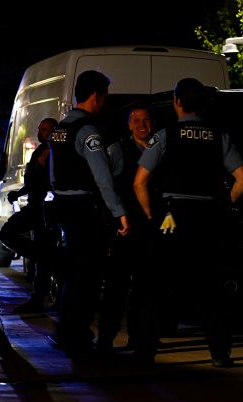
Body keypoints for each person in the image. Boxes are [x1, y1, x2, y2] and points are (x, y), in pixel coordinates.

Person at [133, 77, 243, 367]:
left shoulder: (165, 135)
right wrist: (223, 205)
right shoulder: (218, 135)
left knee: (156, 284)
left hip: (172, 218)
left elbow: (140, 182)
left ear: (176, 102)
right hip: (210, 218)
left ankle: (146, 350)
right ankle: (220, 353)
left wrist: (151, 215)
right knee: (213, 288)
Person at [46, 70, 129, 357]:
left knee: (74, 273)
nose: (105, 101)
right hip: (85, 209)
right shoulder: (88, 130)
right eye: (104, 95)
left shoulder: (60, 127)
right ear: (96, 95)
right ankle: (76, 334)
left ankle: (67, 330)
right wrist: (119, 211)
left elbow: (53, 172)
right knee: (88, 277)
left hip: (65, 206)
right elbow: (102, 176)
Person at [96, 103, 153, 353]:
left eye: (146, 120)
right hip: (125, 228)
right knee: (116, 287)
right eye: (136, 120)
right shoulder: (117, 150)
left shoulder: (159, 148)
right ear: (129, 124)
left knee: (145, 288)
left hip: (150, 228)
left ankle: (140, 339)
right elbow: (106, 186)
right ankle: (107, 337)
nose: (142, 124)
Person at [0, 117, 58, 314]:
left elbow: (48, 183)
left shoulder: (54, 152)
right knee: (8, 234)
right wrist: (20, 193)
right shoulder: (41, 151)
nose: (42, 132)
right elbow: (34, 182)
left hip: (44, 209)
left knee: (11, 235)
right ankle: (45, 261)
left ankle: (40, 294)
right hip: (35, 205)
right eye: (40, 129)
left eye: (46, 129)